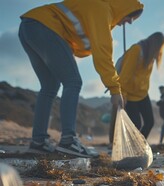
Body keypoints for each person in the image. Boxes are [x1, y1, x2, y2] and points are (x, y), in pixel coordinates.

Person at [19, 0, 144, 157]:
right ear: (123, 7)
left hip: (29, 27)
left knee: (49, 86)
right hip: (45, 26)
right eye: (131, 16)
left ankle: (38, 143)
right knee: (73, 81)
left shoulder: (99, 10)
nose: (130, 22)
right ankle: (68, 141)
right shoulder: (101, 10)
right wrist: (114, 89)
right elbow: (103, 54)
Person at [111, 32, 164, 141]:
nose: (160, 51)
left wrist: (145, 89)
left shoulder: (151, 57)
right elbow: (124, 76)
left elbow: (144, 78)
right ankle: (130, 146)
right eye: (160, 47)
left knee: (149, 122)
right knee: (136, 123)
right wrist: (123, 94)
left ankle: (138, 145)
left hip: (142, 94)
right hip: (129, 94)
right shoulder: (137, 50)